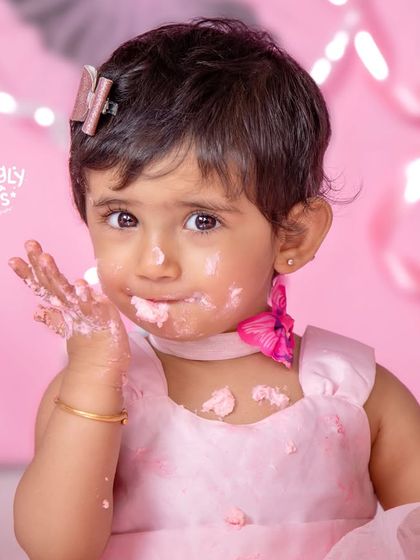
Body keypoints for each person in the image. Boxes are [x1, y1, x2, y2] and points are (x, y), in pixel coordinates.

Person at [9, 17, 420, 560]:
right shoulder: (98, 392)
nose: (155, 262)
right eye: (123, 218)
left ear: (291, 235)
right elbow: (55, 548)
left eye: (201, 221)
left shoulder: (352, 389)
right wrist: (90, 380)